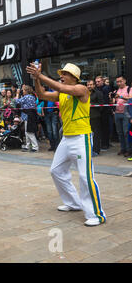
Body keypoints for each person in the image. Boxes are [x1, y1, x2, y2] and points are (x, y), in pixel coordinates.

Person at [27, 62, 106, 226]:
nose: (61, 76)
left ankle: (97, 215)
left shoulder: (81, 89)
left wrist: (40, 75)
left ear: (74, 78)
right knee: (56, 171)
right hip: (67, 138)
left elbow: (63, 89)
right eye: (61, 74)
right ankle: (74, 203)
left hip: (81, 137)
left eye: (65, 74)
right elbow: (41, 95)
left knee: (86, 177)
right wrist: (36, 79)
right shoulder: (61, 92)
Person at [111, 75, 132, 157]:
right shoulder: (117, 90)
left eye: (120, 81)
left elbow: (130, 98)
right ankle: (122, 149)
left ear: (125, 81)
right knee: (120, 133)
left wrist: (120, 96)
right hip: (117, 113)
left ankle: (128, 150)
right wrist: (111, 97)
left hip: (126, 113)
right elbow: (113, 102)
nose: (119, 83)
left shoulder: (129, 88)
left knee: (126, 132)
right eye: (117, 82)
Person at [15, 85, 39, 152]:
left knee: (29, 132)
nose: (22, 92)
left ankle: (35, 147)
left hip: (28, 116)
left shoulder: (26, 97)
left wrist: (17, 93)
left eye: (23, 90)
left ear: (26, 91)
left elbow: (17, 101)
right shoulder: (32, 97)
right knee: (27, 131)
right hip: (30, 115)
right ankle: (28, 145)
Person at [87, 80, 104, 157]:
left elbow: (101, 104)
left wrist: (92, 105)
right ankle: (90, 150)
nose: (89, 86)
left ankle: (96, 150)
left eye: (91, 84)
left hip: (95, 116)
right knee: (88, 134)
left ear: (94, 85)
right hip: (86, 116)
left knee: (96, 134)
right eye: (88, 85)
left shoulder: (98, 93)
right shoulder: (85, 93)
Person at [95, 76, 111, 150]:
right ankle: (102, 143)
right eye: (96, 81)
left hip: (105, 111)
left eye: (98, 81)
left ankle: (106, 144)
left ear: (102, 81)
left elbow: (105, 100)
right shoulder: (96, 89)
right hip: (98, 111)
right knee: (99, 128)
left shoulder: (105, 88)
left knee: (105, 128)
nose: (97, 83)